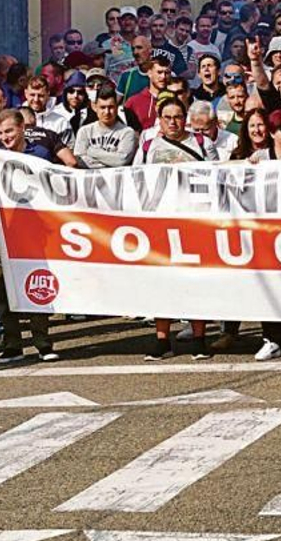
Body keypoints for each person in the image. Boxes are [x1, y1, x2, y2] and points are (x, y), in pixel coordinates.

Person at [141, 96, 217, 360]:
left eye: (177, 117)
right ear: (159, 121)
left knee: (196, 282)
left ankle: (199, 338)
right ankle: (162, 340)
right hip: (162, 223)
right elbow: (138, 182)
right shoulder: (149, 146)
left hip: (195, 222)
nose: (173, 122)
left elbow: (218, 177)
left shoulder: (201, 143)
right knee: (161, 283)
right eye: (167, 117)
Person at [0, 110, 60, 364]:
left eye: (9, 131)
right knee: (3, 289)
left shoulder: (39, 156)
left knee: (36, 283)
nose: (5, 137)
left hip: (33, 233)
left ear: (22, 129)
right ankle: (12, 344)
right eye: (1, 133)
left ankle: (42, 342)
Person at [73, 86, 138, 168]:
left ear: (117, 107)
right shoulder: (84, 131)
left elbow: (122, 160)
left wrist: (92, 152)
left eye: (111, 107)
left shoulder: (127, 132)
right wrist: (110, 161)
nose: (107, 112)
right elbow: (79, 161)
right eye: (102, 107)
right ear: (95, 107)